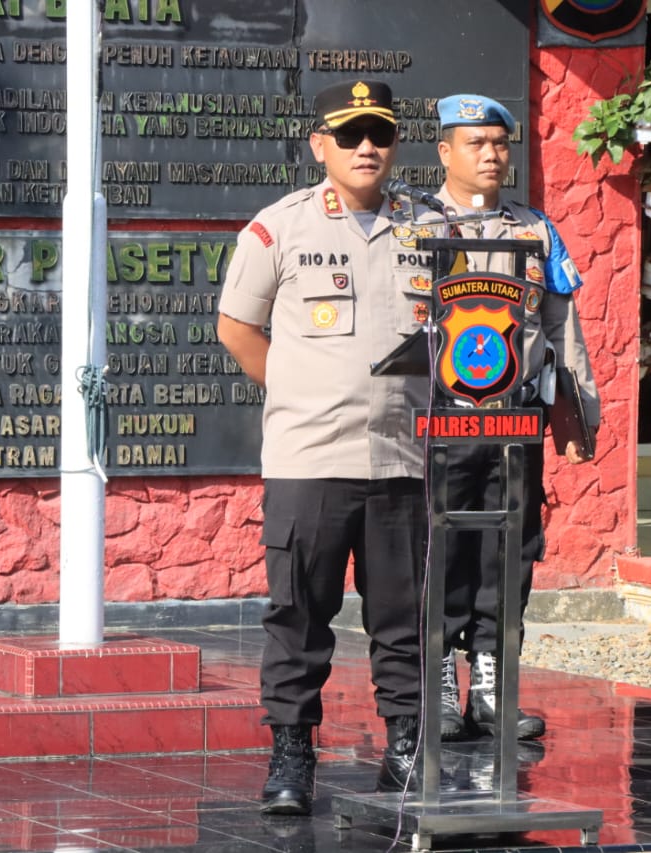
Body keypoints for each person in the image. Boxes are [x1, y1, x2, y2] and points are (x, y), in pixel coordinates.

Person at [217, 79, 430, 816]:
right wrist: (303, 389)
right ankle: (292, 751)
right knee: (299, 613)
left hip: (400, 457)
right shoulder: (278, 231)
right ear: (320, 146)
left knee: (404, 615)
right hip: (309, 461)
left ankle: (407, 742)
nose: (367, 146)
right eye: (350, 134)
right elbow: (238, 331)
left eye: (380, 132)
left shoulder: (430, 230)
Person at [426, 94, 601, 742]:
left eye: (501, 143)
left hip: (514, 424)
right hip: (437, 424)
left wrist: (579, 416)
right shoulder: (412, 229)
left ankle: (494, 686)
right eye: (477, 142)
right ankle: (440, 686)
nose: (493, 154)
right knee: (440, 548)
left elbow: (562, 328)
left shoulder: (535, 230)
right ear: (446, 150)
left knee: (511, 553)